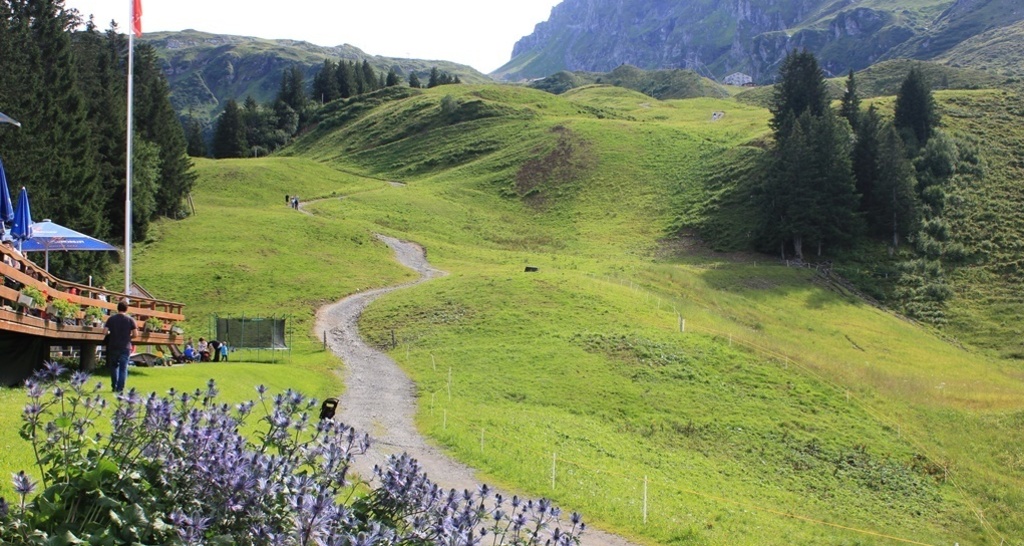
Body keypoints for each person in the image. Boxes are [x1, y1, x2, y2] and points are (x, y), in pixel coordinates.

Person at [104, 300, 137, 393]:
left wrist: (112, 333)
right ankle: (120, 388)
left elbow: (105, 332)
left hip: (113, 345)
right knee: (123, 368)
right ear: (127, 309)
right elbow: (135, 334)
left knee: (113, 367)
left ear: (117, 308)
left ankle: (114, 385)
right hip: (125, 346)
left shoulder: (111, 319)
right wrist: (128, 336)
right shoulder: (130, 320)